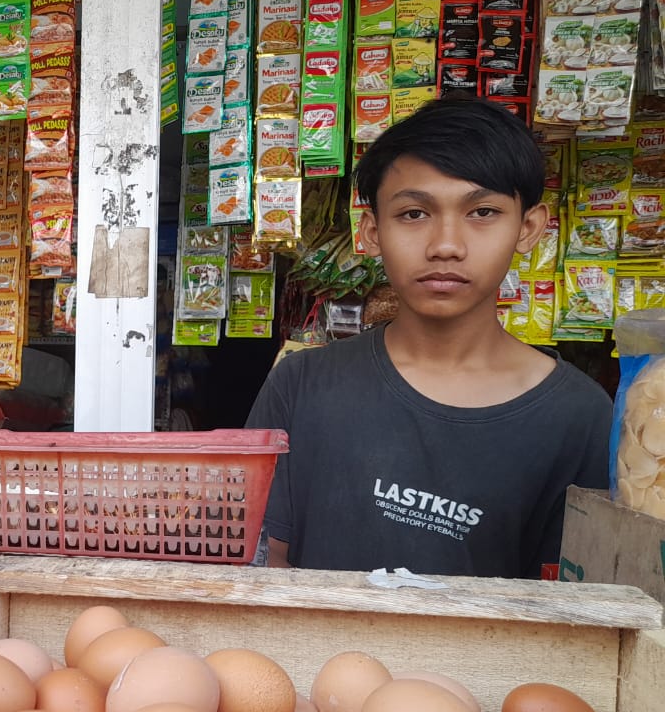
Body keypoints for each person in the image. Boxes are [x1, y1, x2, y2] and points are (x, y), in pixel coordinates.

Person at [245, 97, 611, 578]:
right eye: (414, 214)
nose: (445, 246)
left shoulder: (580, 419)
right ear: (372, 232)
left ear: (528, 228)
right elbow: (258, 563)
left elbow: (576, 606)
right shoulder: (302, 386)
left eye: (482, 212)